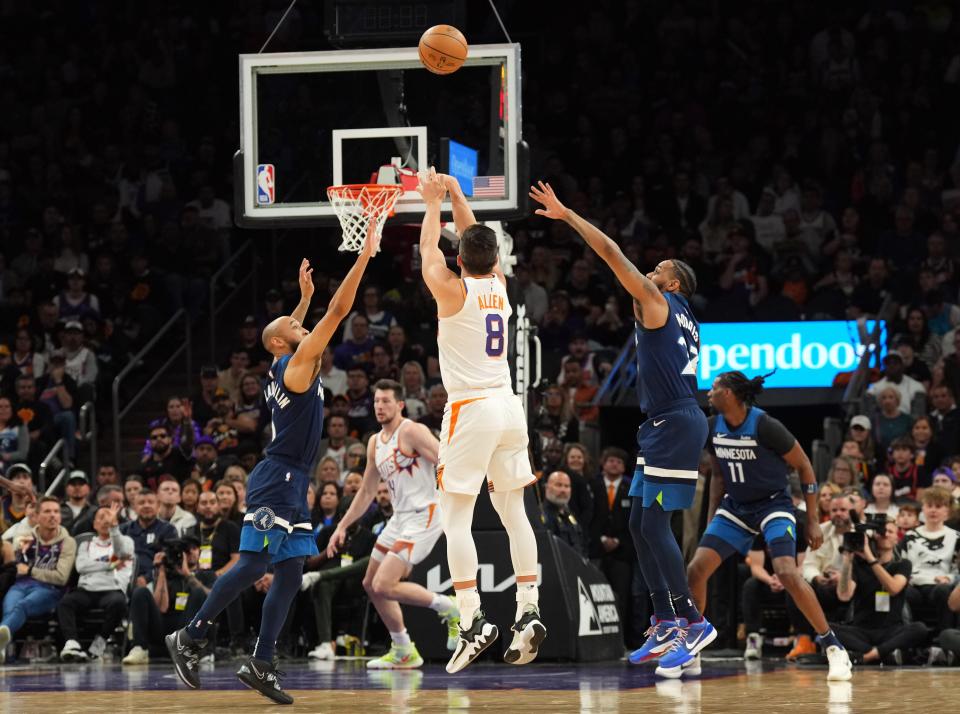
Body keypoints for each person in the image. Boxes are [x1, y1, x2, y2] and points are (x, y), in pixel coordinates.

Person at [166, 226, 380, 705]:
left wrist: (300, 303)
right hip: (277, 476)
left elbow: (281, 334)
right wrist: (364, 256)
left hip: (293, 478)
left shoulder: (281, 363)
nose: (306, 332)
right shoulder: (297, 364)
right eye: (299, 330)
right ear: (287, 346)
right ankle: (191, 635)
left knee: (289, 570)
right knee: (256, 562)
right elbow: (339, 311)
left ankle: (262, 661)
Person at [531, 179, 713, 674]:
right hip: (664, 422)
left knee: (654, 523)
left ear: (671, 285)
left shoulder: (659, 303)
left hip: (675, 421)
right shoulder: (683, 316)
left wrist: (568, 215)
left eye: (658, 270)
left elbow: (611, 251)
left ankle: (692, 622)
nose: (649, 273)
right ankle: (663, 619)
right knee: (638, 522)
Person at [417, 170, 544, 673]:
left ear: (461, 258)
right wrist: (458, 194)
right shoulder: (499, 285)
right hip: (510, 407)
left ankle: (472, 620)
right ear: (495, 259)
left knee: (456, 518)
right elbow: (473, 239)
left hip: (470, 409)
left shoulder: (452, 291)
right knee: (515, 512)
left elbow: (430, 252)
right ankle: (528, 607)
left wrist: (432, 203)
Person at [685, 371, 851, 681]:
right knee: (696, 569)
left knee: (787, 571)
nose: (709, 391)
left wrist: (813, 520)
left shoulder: (765, 425)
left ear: (733, 394)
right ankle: (692, 648)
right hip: (735, 508)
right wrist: (711, 521)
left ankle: (832, 646)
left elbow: (805, 467)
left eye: (717, 386)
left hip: (773, 504)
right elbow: (718, 477)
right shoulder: (710, 428)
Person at [327, 379, 459, 669]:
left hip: (425, 515)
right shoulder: (375, 442)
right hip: (399, 519)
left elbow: (447, 461)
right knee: (370, 585)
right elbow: (366, 491)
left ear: (400, 404)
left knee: (384, 584)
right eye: (376, 401)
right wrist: (342, 527)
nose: (380, 406)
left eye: (386, 401)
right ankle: (403, 650)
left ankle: (450, 607)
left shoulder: (411, 430)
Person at [833, 519, 929, 664]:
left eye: (890, 532)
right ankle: (884, 653)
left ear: (897, 539)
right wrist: (847, 561)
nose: (885, 535)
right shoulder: (858, 565)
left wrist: (870, 558)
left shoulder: (902, 564)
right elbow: (844, 596)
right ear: (873, 537)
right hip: (861, 630)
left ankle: (867, 656)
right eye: (880, 532)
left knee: (919, 628)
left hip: (891, 630)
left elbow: (893, 588)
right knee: (826, 629)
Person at [58, 501, 134, 661]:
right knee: (66, 603)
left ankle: (99, 644)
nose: (106, 520)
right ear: (94, 524)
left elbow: (121, 552)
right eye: (101, 517)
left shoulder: (126, 541)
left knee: (119, 603)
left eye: (109, 516)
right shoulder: (85, 544)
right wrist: (112, 564)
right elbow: (82, 566)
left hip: (112, 589)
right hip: (87, 590)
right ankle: (72, 644)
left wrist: (114, 529)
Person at [0, 497, 77, 651]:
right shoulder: (26, 538)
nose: (53, 515)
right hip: (20, 586)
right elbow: (16, 567)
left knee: (21, 606)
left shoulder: (67, 542)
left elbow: (61, 578)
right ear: (37, 516)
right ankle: (2, 650)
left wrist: (31, 571)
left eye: (56, 511)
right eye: (47, 511)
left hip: (49, 589)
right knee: (9, 609)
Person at [540, 471, 587, 557]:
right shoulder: (541, 515)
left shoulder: (570, 515)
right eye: (558, 485)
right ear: (547, 487)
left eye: (567, 486)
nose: (563, 490)